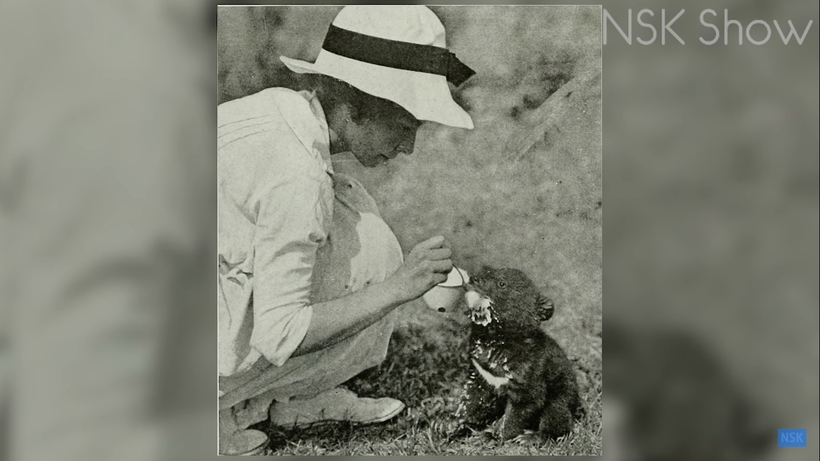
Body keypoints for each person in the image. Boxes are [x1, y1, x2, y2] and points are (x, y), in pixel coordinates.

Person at [217, 5, 475, 454]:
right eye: (403, 126)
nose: (408, 147)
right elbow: (282, 333)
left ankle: (290, 395)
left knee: (363, 232)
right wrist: (400, 288)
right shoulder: (297, 176)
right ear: (356, 105)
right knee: (378, 271)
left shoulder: (281, 109)